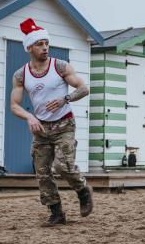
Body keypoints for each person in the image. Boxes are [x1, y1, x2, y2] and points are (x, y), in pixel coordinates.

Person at [9, 18, 94, 226]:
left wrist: (65, 99)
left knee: (63, 166)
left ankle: (83, 191)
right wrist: (29, 116)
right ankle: (56, 213)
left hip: (64, 124)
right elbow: (14, 105)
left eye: (46, 43)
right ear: (29, 47)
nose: (45, 47)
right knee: (43, 173)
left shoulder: (60, 67)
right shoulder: (21, 75)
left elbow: (84, 88)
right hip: (41, 130)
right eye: (40, 44)